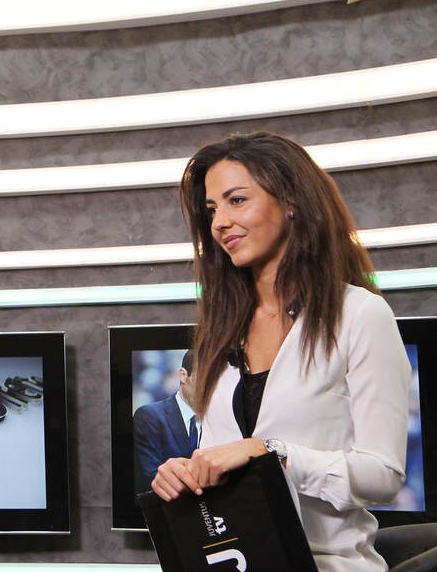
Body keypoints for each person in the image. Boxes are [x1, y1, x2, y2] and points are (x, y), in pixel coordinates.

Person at [152, 132, 410, 572]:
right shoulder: (221, 326)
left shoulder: (360, 314)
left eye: (236, 200)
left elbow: (383, 477)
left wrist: (272, 453)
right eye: (212, 210)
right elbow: (219, 458)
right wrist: (183, 473)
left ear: (291, 201)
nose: (219, 223)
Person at [132, 350, 197, 493]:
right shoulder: (149, 417)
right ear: (183, 375)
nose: (210, 386)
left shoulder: (222, 418)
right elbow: (150, 480)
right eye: (205, 378)